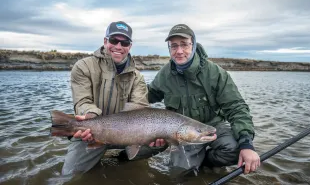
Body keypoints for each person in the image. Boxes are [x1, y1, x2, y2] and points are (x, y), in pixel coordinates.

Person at [147, 24, 260, 174]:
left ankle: (205, 161)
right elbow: (146, 96)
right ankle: (192, 163)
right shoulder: (164, 75)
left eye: (184, 45)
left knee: (235, 149)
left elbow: (236, 107)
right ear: (169, 49)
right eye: (174, 46)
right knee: (180, 173)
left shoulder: (215, 73)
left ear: (193, 45)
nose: (179, 51)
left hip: (213, 127)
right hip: (182, 133)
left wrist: (247, 144)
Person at [62, 21, 157, 175]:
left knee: (162, 141)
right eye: (114, 40)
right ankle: (95, 152)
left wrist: (153, 135)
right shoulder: (82, 67)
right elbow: (82, 101)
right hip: (90, 133)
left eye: (124, 42)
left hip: (127, 135)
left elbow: (140, 109)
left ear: (130, 46)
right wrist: (90, 116)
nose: (119, 46)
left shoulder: (137, 78)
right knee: (69, 176)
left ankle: (124, 159)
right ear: (105, 41)